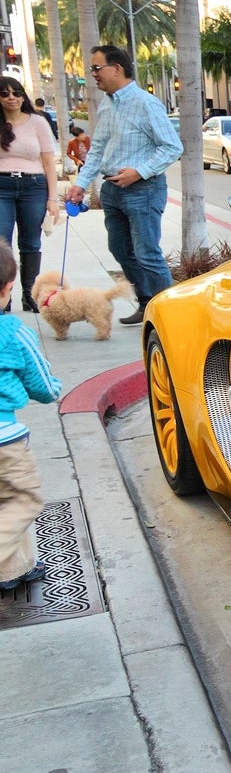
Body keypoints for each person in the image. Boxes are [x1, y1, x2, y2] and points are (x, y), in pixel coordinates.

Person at [64, 44, 183, 326]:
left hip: (143, 190)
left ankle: (173, 317)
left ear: (116, 68)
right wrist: (81, 184)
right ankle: (146, 302)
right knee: (119, 249)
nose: (93, 74)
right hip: (113, 191)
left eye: (96, 68)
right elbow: (98, 149)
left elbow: (172, 146)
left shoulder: (145, 103)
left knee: (147, 253)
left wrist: (139, 172)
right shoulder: (107, 104)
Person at [0, 246, 62, 591]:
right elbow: (41, 383)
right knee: (22, 500)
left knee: (3, 503)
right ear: (9, 287)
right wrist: (52, 390)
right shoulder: (10, 331)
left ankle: (14, 569)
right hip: (5, 441)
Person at [0, 76, 62, 314]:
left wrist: (52, 199)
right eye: (5, 94)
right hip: (2, 185)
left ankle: (30, 295)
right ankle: (3, 300)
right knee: (2, 245)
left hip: (34, 186)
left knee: (31, 243)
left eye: (16, 92)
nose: (12, 98)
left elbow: (48, 163)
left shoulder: (37, 122)